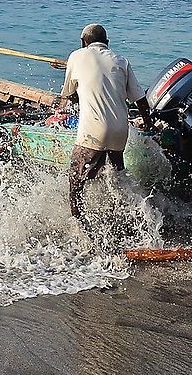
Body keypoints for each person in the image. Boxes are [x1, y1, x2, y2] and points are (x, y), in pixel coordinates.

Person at [60, 23, 153, 233]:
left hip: (93, 132)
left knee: (76, 180)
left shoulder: (76, 56)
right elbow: (140, 99)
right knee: (118, 176)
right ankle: (130, 218)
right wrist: (147, 123)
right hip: (121, 131)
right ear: (107, 43)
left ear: (83, 42)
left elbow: (69, 94)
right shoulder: (121, 60)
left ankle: (80, 227)